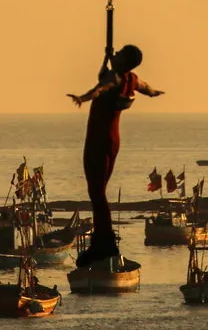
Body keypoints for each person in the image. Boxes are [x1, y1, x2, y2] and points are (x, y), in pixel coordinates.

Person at [67, 45, 164, 267]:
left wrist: (84, 97)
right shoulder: (131, 78)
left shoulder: (115, 78)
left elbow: (102, 88)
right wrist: (154, 92)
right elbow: (144, 87)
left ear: (124, 61)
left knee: (97, 192)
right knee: (98, 192)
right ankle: (102, 240)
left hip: (99, 139)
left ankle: (104, 242)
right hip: (111, 139)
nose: (115, 54)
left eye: (119, 54)